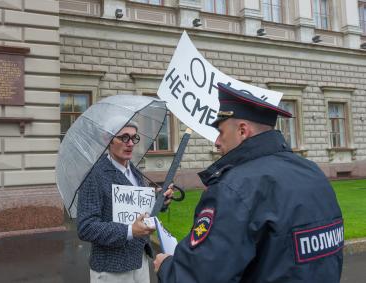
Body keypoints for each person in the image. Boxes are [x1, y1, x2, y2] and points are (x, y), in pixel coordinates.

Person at [154, 83, 343, 282]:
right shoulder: (312, 171)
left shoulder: (234, 188)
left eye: (221, 132)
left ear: (243, 131)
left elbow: (201, 276)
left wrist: (167, 267)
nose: (216, 142)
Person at [77, 122, 173, 283]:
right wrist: (129, 231)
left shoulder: (134, 171)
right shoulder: (94, 175)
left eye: (133, 138)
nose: (130, 143)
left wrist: (160, 201)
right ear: (107, 139)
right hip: (111, 270)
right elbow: (86, 227)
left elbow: (140, 208)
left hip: (140, 260)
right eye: (123, 137)